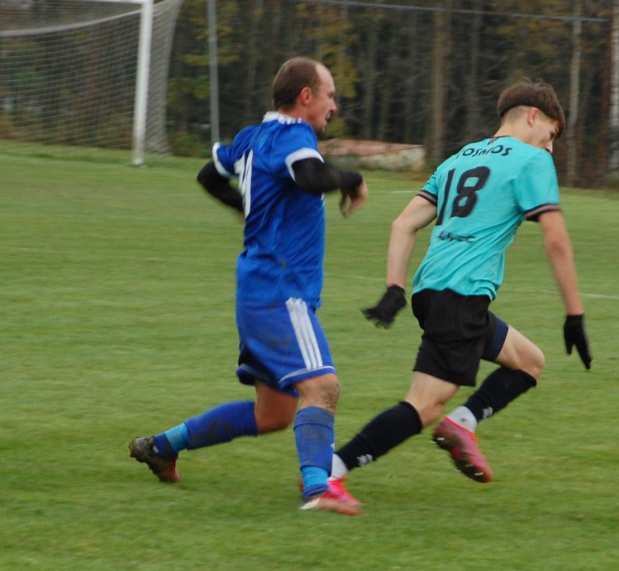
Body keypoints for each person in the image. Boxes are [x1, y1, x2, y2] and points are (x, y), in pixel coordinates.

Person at [328, 80, 592, 503]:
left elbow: (403, 224)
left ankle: (462, 424)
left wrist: (394, 288)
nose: (551, 148)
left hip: (433, 292)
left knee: (528, 362)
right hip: (461, 297)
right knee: (424, 405)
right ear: (532, 117)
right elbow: (556, 240)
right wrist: (575, 315)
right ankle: (331, 472)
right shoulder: (531, 160)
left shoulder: (460, 157)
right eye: (552, 135)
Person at [128, 56, 368, 516]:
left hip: (257, 286)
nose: (333, 106)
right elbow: (309, 176)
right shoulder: (294, 135)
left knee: (273, 414)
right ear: (306, 97)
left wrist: (245, 208)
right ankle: (319, 489)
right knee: (323, 387)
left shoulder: (252, 137)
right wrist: (350, 180)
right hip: (281, 290)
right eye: (330, 95)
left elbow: (207, 174)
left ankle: (161, 446)